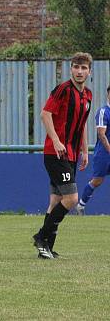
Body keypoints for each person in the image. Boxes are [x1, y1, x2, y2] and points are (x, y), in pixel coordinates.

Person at [33, 52, 92, 259]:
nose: (79, 71)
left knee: (56, 199)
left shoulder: (87, 96)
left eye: (83, 68)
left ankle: (45, 248)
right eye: (76, 67)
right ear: (71, 69)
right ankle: (41, 236)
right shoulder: (63, 90)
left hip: (72, 155)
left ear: (89, 71)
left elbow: (82, 125)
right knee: (72, 198)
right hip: (55, 152)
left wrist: (85, 150)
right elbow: (45, 114)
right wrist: (57, 141)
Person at [77, 85, 110, 215]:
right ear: (108, 93)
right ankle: (81, 205)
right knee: (97, 180)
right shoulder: (103, 111)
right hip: (103, 153)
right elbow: (101, 134)